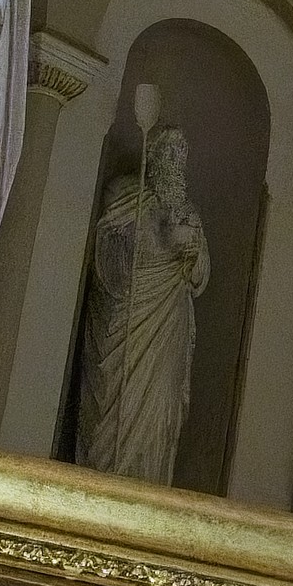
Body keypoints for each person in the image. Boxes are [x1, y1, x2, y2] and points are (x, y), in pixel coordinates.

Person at [71, 109, 206, 487]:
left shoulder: (187, 211)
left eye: (183, 153)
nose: (177, 160)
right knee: (115, 405)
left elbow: (198, 277)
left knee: (159, 411)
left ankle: (147, 486)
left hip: (168, 328)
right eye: (171, 151)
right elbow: (108, 257)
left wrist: (191, 253)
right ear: (155, 154)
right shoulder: (125, 194)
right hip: (128, 318)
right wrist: (159, 244)